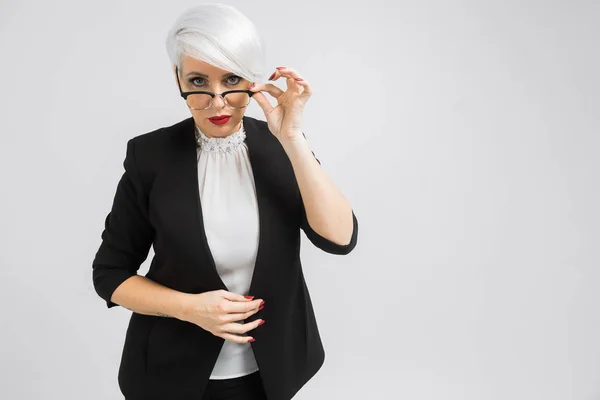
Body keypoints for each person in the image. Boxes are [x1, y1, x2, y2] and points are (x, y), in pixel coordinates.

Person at [91, 4, 358, 400]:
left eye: (232, 79)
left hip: (271, 372)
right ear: (177, 78)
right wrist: (190, 309)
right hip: (170, 374)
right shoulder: (150, 156)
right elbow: (110, 275)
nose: (217, 102)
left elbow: (340, 238)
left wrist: (293, 140)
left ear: (252, 80)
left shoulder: (279, 146)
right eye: (198, 81)